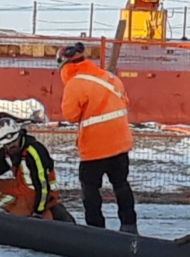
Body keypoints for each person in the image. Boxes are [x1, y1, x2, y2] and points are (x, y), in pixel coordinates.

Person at [57, 41, 138, 235]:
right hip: (121, 143)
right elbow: (125, 101)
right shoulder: (110, 77)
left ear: (64, 65)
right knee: (121, 184)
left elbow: (70, 115)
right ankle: (129, 225)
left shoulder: (75, 84)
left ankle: (95, 229)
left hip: (95, 147)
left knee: (90, 189)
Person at [0, 118, 75, 223]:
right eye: (8, 144)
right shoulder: (5, 153)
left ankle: (34, 212)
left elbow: (42, 184)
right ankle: (19, 210)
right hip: (22, 189)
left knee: (16, 223)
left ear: (19, 135)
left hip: (43, 193)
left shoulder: (34, 151)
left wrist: (39, 210)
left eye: (14, 141)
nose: (11, 146)